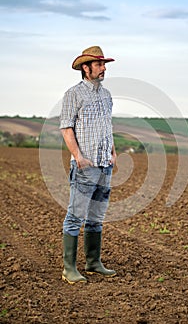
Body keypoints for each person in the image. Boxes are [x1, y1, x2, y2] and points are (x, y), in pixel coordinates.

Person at [60, 46, 117, 284]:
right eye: (100, 65)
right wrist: (78, 157)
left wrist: (113, 151)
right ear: (86, 68)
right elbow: (66, 127)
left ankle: (93, 262)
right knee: (75, 216)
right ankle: (69, 269)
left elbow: (107, 126)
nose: (104, 69)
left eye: (104, 65)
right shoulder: (73, 94)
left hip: (105, 165)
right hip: (85, 165)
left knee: (96, 217)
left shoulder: (107, 95)